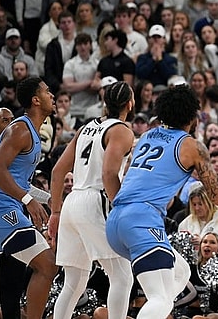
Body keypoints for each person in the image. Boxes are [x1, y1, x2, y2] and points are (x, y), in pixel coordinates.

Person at [105, 85, 218, 319]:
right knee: (159, 298)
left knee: (181, 272)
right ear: (192, 116)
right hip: (142, 219)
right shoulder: (192, 146)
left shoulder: (147, 136)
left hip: (116, 219)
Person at [48, 81, 136, 319]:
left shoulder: (85, 128)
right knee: (122, 276)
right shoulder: (121, 130)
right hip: (96, 200)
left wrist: (55, 212)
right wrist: (120, 209)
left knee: (73, 282)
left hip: (72, 201)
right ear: (129, 103)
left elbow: (57, 171)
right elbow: (108, 174)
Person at [0, 77, 58, 319]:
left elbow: (19, 179)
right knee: (47, 265)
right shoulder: (20, 129)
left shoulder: (32, 132)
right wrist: (28, 200)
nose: (52, 95)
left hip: (3, 206)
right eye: (47, 91)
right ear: (36, 100)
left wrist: (47, 198)